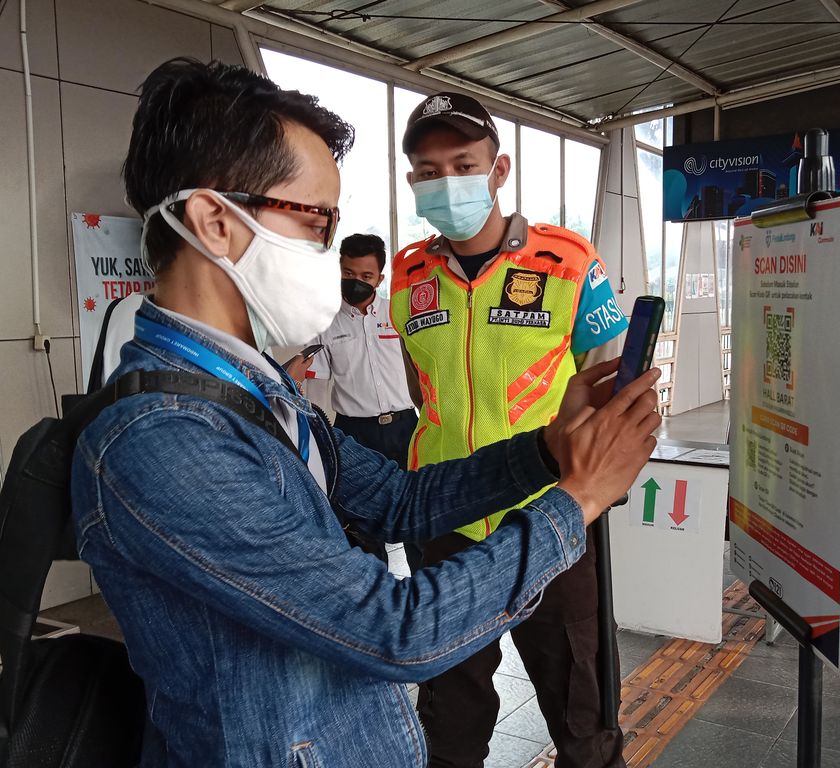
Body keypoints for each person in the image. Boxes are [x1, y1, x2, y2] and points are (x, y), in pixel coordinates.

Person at [69, 59, 661, 767]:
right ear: (213, 223)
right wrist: (579, 499)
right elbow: (393, 630)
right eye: (316, 219)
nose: (335, 253)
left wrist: (547, 450)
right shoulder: (166, 436)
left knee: (580, 704)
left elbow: (404, 499)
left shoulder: (257, 393)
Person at [394, 92, 630, 768]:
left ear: (499, 171)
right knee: (451, 706)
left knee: (578, 698)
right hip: (444, 517)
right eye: (428, 170)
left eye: (463, 164)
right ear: (413, 181)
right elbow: (422, 388)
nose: (446, 183)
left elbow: (604, 380)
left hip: (550, 513)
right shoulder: (409, 276)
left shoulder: (568, 263)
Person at [288, 232, 419, 564]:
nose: (356, 282)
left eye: (366, 276)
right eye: (348, 274)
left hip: (407, 427)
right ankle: (373, 592)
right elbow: (313, 381)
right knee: (363, 522)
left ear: (380, 278)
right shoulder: (326, 324)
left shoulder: (398, 314)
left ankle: (423, 585)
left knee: (417, 513)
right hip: (355, 432)